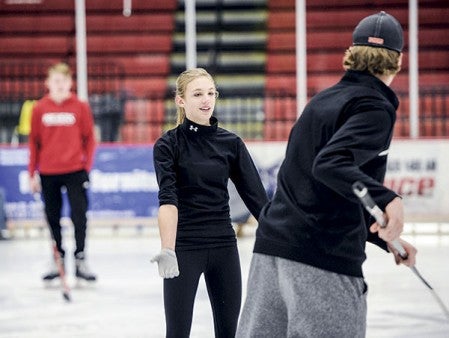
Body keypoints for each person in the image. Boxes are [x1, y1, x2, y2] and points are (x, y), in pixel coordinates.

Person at [236, 11, 418, 338]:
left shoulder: (322, 101)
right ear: (398, 61)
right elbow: (331, 164)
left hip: (272, 253)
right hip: (321, 259)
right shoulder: (375, 106)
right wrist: (388, 199)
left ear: (352, 53)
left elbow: (323, 185)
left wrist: (382, 238)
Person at [151, 68, 269, 338]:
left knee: (229, 333)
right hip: (185, 249)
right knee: (177, 333)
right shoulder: (168, 145)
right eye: (197, 94)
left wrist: (285, 240)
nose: (206, 100)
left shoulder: (231, 144)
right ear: (181, 100)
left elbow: (259, 200)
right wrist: (168, 248)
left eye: (210, 93)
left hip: (223, 247)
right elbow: (168, 200)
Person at [28, 62, 97, 282]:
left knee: (79, 214)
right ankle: (57, 258)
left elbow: (90, 139)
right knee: (53, 216)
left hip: (75, 170)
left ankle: (80, 258)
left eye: (63, 81)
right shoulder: (39, 108)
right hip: (48, 172)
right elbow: (34, 143)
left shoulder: (80, 106)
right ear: (48, 83)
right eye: (55, 81)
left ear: (70, 83)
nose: (59, 85)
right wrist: (32, 173)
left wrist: (86, 166)